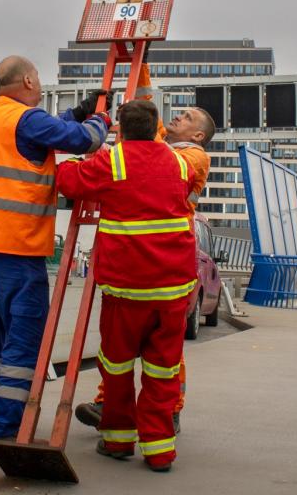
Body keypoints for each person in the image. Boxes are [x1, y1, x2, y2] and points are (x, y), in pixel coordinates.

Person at [0, 56, 110, 449]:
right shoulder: (26, 120)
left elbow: (46, 129)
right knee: (24, 338)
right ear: (28, 79)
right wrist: (101, 119)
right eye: (38, 79)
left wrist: (76, 112)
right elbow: (85, 140)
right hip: (16, 244)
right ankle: (1, 429)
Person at [57, 100, 197, 472]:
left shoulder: (112, 161)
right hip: (172, 289)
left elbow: (68, 181)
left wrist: (72, 160)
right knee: (163, 370)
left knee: (117, 367)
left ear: (119, 128)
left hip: (127, 288)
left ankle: (118, 441)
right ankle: (160, 452)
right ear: (156, 129)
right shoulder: (180, 163)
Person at [76, 64, 216, 433]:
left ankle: (169, 409)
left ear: (198, 134)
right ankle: (115, 404)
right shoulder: (169, 150)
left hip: (168, 258)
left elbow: (148, 154)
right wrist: (143, 69)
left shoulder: (192, 158)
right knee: (139, 350)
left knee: (163, 355)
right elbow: (147, 126)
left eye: (186, 117)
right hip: (163, 257)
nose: (178, 117)